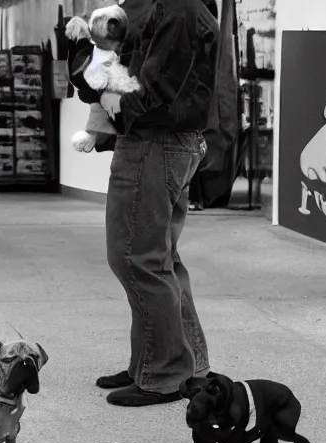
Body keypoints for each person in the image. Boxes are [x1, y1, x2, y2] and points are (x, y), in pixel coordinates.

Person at [90, 0, 220, 407]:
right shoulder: (168, 5)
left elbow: (154, 86)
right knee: (158, 256)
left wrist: (110, 101)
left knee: (135, 256)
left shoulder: (177, 7)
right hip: (162, 137)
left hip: (157, 138)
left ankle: (164, 372)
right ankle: (180, 364)